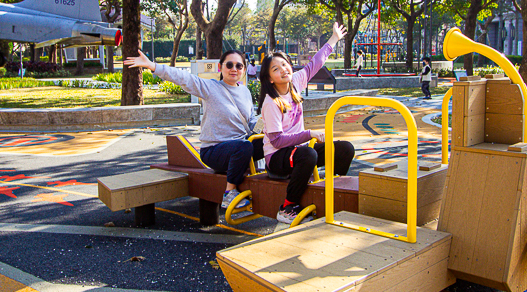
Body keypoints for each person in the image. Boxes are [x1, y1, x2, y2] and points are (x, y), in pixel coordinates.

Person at [123, 48, 261, 210]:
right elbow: (184, 78)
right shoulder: (210, 87)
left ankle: (277, 176)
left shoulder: (245, 91)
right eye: (229, 65)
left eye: (239, 66)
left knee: (268, 140)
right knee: (244, 146)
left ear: (244, 70)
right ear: (220, 67)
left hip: (240, 147)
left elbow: (251, 121)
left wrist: (265, 121)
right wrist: (153, 66)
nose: (234, 69)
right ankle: (229, 193)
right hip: (215, 150)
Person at [259, 23, 356, 224]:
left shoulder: (296, 83)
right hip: (277, 158)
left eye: (284, 65)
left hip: (299, 152)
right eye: (276, 69)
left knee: (345, 149)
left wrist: (334, 39)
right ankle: (287, 206)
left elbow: (316, 63)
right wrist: (309, 133)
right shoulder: (271, 102)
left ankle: (331, 190)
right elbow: (276, 141)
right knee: (308, 154)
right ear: (270, 78)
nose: (283, 70)